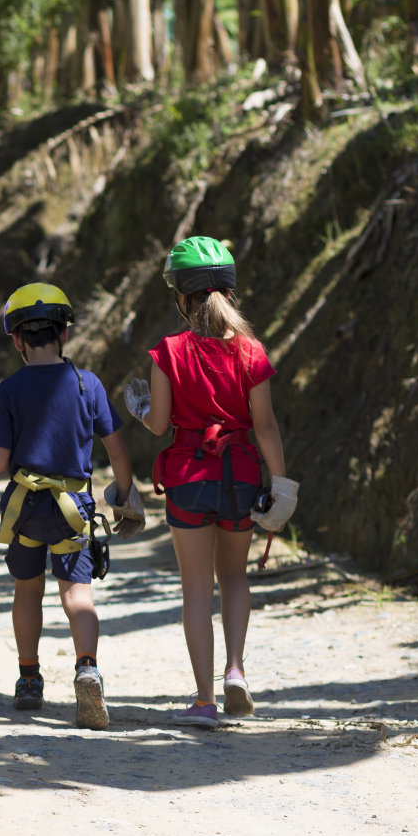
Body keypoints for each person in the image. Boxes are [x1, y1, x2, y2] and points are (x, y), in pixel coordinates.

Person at [126, 237, 297, 730]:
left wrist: (139, 408)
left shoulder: (169, 352)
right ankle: (236, 670)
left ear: (182, 295)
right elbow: (265, 425)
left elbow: (159, 424)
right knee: (236, 578)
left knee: (197, 589)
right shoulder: (251, 350)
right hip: (241, 475)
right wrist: (281, 483)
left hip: (188, 477)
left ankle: (204, 701)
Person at [0, 283, 145, 729]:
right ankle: (87, 666)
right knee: (77, 594)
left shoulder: (8, 392)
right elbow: (116, 449)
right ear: (64, 334)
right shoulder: (86, 383)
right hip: (74, 505)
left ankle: (29, 678)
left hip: (26, 508)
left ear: (16, 340)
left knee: (27, 589)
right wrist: (126, 496)